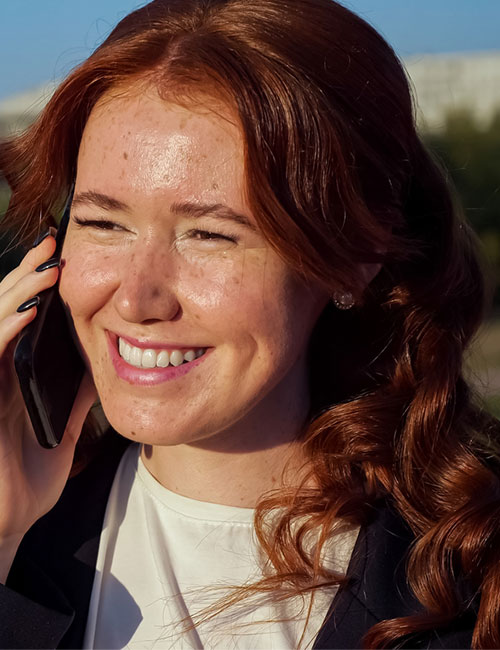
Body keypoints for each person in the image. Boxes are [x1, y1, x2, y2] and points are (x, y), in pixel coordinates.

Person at [0, 0, 499, 648]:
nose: (137, 297)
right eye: (103, 222)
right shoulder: (25, 542)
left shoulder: (470, 581)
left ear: (350, 260)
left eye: (210, 234)